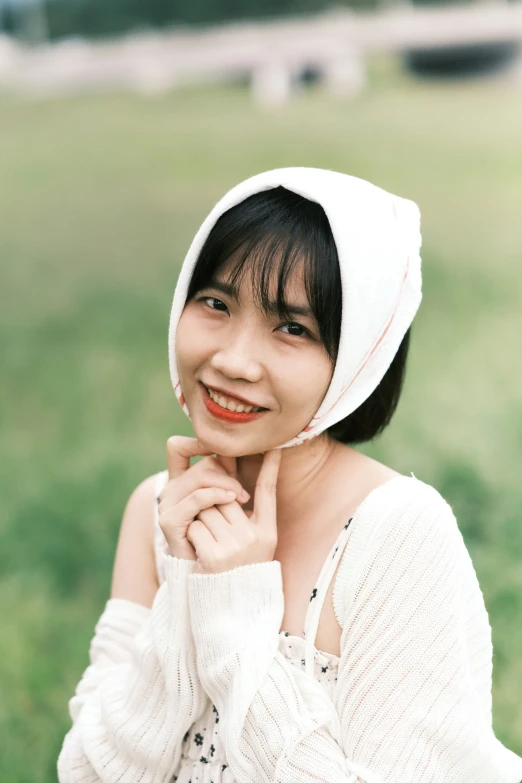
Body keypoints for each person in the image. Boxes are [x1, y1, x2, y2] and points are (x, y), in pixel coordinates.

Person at [58, 168, 522, 783]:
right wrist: (185, 586)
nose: (232, 361)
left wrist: (232, 606)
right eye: (216, 303)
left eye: (292, 329)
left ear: (356, 359)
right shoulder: (157, 509)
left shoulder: (397, 535)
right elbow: (88, 772)